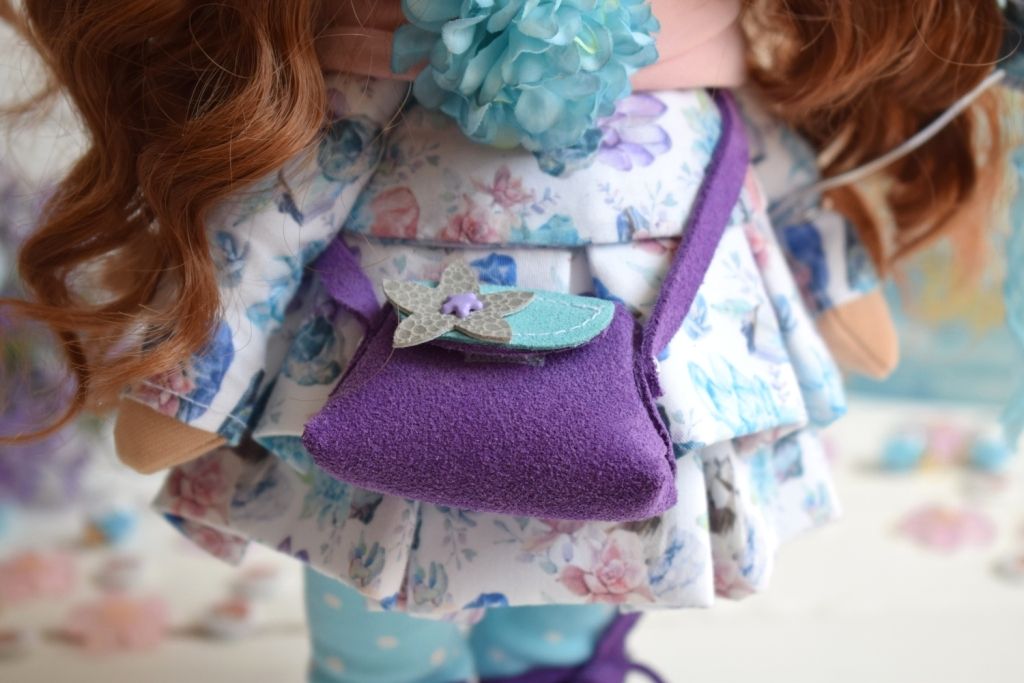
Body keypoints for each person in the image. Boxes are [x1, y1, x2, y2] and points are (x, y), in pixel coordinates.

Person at [0, 1, 1010, 680]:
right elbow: (270, 219)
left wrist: (835, 280)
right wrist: (194, 383)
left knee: (567, 597)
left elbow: (769, 170)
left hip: (624, 388)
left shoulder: (699, 70)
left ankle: (550, 665)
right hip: (379, 389)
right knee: (377, 624)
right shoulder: (360, 66)